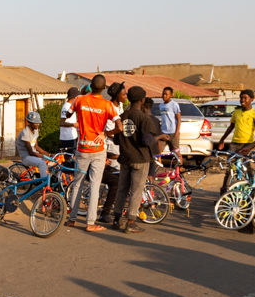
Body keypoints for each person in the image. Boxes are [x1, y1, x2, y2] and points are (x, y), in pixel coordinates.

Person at [65, 74, 119, 232]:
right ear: (104, 89)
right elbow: (120, 127)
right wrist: (106, 134)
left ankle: (72, 219)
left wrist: (76, 116)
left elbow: (67, 114)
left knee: (78, 184)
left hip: (82, 148)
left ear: (90, 86)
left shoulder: (79, 100)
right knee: (95, 185)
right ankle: (90, 223)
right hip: (98, 149)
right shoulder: (107, 105)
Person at [113, 86, 156, 234]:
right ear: (142, 100)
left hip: (125, 158)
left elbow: (117, 141)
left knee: (122, 189)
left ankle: (116, 219)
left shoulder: (122, 116)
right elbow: (146, 141)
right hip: (140, 158)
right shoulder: (144, 118)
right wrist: (158, 137)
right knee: (136, 191)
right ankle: (130, 222)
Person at [216, 90, 255, 193]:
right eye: (241, 98)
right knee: (230, 169)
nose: (242, 100)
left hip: (248, 144)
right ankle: (224, 193)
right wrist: (222, 139)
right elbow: (231, 127)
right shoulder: (237, 112)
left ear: (251, 99)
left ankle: (253, 191)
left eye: (245, 98)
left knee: (250, 169)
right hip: (234, 144)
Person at [17, 111, 50, 179]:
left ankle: (44, 178)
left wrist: (49, 154)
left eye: (38, 122)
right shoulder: (25, 132)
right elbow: (30, 152)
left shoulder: (36, 130)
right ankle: (45, 184)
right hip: (26, 157)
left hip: (34, 155)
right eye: (36, 123)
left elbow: (36, 147)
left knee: (53, 161)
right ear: (30, 122)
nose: (38, 124)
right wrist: (46, 156)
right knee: (42, 163)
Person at [158, 87, 182, 163]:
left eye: (166, 94)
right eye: (163, 94)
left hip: (173, 132)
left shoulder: (174, 105)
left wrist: (177, 132)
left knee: (176, 152)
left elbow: (178, 119)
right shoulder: (161, 105)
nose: (164, 96)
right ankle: (157, 167)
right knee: (158, 151)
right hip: (163, 132)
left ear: (171, 95)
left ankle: (180, 169)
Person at [59, 87, 82, 152]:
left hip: (71, 136)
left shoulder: (71, 105)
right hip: (67, 137)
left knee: (72, 156)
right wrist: (75, 124)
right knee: (70, 157)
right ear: (74, 97)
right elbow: (62, 123)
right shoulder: (66, 107)